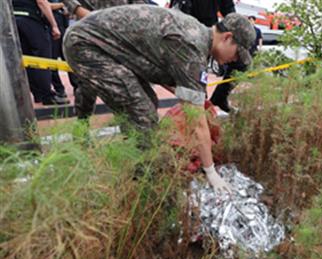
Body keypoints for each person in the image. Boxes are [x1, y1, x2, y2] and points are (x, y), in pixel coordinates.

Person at [63, 5, 255, 193]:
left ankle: (135, 159)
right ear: (227, 37)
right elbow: (197, 123)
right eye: (238, 53)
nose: (235, 60)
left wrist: (194, 99)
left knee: (148, 103)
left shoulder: (197, 36)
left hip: (106, 46)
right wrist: (211, 171)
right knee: (143, 113)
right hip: (87, 45)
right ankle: (144, 181)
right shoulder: (191, 45)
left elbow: (164, 71)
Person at [169, 0, 239, 112]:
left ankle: (210, 100)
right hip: (185, 32)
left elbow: (229, 11)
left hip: (209, 34)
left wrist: (238, 31)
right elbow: (177, 11)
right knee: (190, 79)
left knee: (200, 79)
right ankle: (194, 106)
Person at [12, 0, 65, 105]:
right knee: (43, 58)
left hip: (14, 20)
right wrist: (54, 25)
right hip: (32, 20)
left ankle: (38, 95)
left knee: (28, 61)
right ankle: (47, 96)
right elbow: (42, 2)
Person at [48, 0, 70, 104]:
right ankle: (59, 89)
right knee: (52, 61)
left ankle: (77, 86)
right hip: (51, 29)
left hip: (62, 26)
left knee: (69, 58)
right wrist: (62, 5)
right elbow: (47, 5)